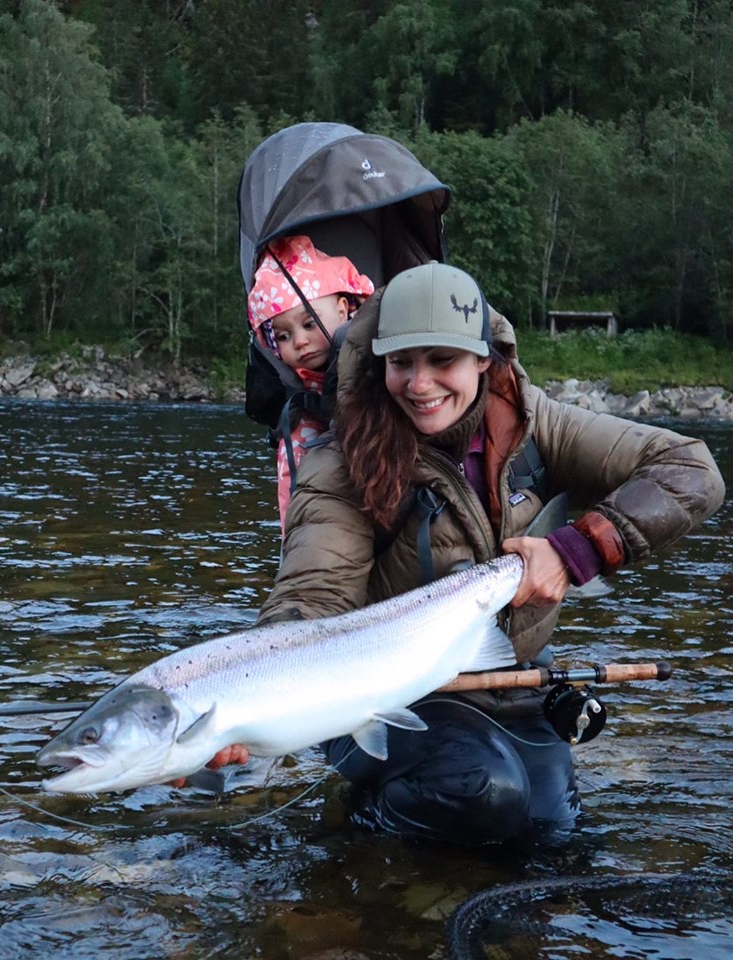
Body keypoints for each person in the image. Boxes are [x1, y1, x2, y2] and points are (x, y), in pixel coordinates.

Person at [244, 261, 726, 846]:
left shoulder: (536, 423)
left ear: (483, 358)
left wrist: (578, 548)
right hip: (385, 701)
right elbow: (311, 597)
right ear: (380, 365)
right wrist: (248, 702)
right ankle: (363, 829)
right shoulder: (339, 461)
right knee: (487, 791)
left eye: (441, 360)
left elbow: (691, 470)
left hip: (514, 685)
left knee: (551, 837)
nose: (419, 384)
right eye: (401, 363)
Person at [247, 234, 374, 529]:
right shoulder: (299, 426)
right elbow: (291, 493)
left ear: (343, 310)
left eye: (309, 323)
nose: (301, 341)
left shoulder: (378, 364)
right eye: (283, 336)